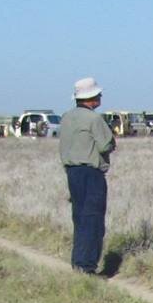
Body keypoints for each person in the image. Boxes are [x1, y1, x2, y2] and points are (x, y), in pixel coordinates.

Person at [59, 77, 115, 275]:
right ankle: (87, 265)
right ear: (90, 98)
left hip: (72, 172)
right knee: (93, 218)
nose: (100, 97)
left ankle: (78, 261)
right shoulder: (94, 119)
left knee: (79, 217)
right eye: (97, 94)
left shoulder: (66, 117)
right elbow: (106, 144)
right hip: (91, 173)